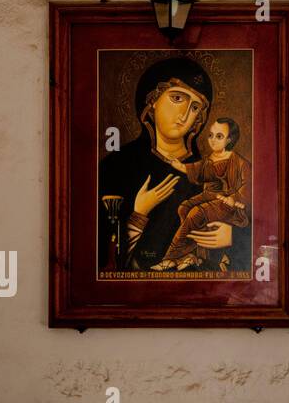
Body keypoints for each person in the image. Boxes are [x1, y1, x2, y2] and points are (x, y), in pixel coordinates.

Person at [97, 57, 250, 274]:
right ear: (153, 100)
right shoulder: (116, 166)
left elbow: (255, 224)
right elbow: (101, 257)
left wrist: (232, 237)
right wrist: (139, 213)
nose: (184, 116)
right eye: (177, 98)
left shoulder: (211, 169)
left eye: (195, 107)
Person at [152, 117, 251, 271]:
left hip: (227, 203)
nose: (212, 140)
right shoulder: (210, 159)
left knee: (195, 213)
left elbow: (248, 187)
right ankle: (192, 254)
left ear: (229, 139)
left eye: (219, 136)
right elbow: (199, 171)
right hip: (211, 197)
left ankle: (171, 258)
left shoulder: (239, 162)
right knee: (184, 208)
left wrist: (234, 200)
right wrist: (180, 166)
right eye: (211, 135)